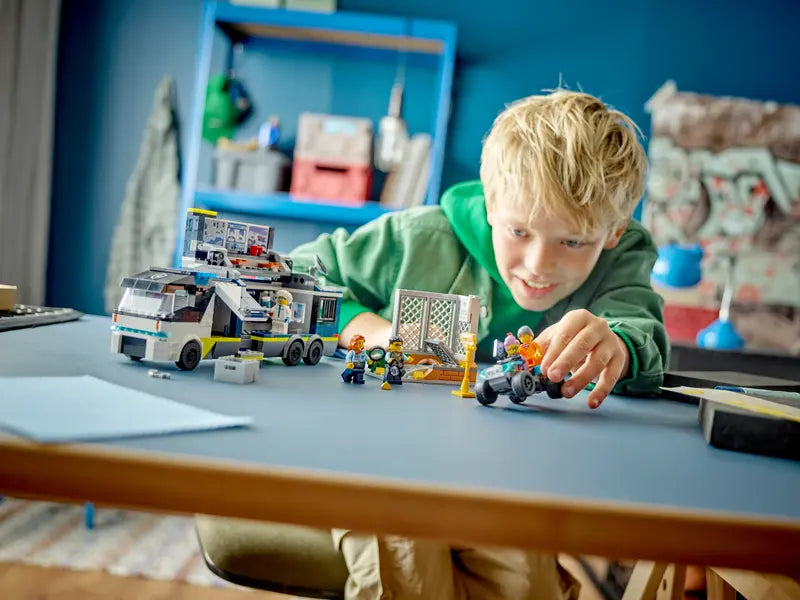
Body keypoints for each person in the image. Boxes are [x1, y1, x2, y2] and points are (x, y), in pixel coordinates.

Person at [291, 89, 668, 600]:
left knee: (530, 586)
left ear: (614, 232)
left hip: (509, 487)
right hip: (381, 469)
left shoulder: (622, 259)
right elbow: (299, 276)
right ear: (491, 205)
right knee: (403, 563)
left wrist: (617, 345)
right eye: (518, 230)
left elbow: (637, 329)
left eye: (572, 241)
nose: (538, 264)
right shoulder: (415, 238)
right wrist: (378, 334)